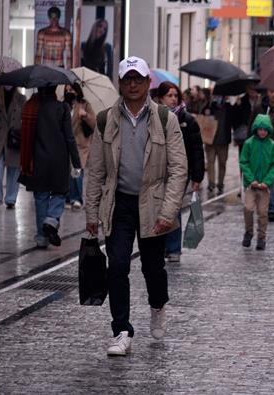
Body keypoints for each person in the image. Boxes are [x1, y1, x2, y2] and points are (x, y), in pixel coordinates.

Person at [85, 56, 187, 356]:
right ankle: (121, 330)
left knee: (153, 268)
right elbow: (96, 170)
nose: (133, 85)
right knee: (116, 265)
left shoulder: (166, 119)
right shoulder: (106, 119)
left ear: (147, 83)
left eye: (138, 79)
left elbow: (178, 169)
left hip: (153, 203)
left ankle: (158, 305)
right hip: (119, 204)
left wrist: (168, 212)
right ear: (120, 83)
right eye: (127, 79)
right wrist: (92, 212)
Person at [19, 85, 81, 248]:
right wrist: (76, 162)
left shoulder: (32, 107)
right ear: (54, 89)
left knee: (41, 196)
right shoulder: (62, 108)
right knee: (60, 193)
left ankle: (42, 237)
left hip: (38, 159)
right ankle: (51, 220)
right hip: (59, 159)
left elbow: (24, 133)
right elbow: (69, 137)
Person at [151, 81, 205, 262]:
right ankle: (159, 246)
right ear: (161, 98)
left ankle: (174, 248)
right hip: (157, 170)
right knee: (157, 207)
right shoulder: (153, 118)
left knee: (173, 207)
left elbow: (197, 149)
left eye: (175, 95)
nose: (173, 99)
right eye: (169, 95)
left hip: (180, 172)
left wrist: (197, 176)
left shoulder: (187, 120)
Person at [248, 88, 274, 222]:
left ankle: (272, 209)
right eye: (271, 91)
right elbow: (251, 128)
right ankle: (263, 207)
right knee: (262, 180)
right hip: (261, 151)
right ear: (267, 92)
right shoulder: (259, 109)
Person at [239, 114, 274, 250]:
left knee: (263, 213)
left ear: (268, 130)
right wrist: (251, 180)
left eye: (265, 129)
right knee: (248, 208)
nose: (262, 132)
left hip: (264, 186)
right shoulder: (249, 144)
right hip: (251, 185)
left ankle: (261, 237)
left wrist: (267, 181)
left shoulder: (273, 146)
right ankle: (249, 231)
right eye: (260, 129)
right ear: (256, 129)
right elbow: (244, 162)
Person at [0, 86, 25, 209]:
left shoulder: (21, 98)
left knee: (14, 168)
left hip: (14, 137)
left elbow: (24, 118)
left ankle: (11, 199)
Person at [63, 83, 96, 210]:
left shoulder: (85, 105)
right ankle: (66, 197)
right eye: (66, 90)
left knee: (77, 170)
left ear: (77, 91)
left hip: (80, 143)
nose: (69, 92)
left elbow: (94, 123)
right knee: (66, 171)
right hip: (66, 143)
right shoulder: (63, 105)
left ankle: (76, 199)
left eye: (71, 89)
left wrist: (86, 115)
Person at [201, 94, 233, 196]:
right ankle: (211, 183)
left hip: (224, 140)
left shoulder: (229, 107)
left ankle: (220, 183)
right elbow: (202, 115)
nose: (218, 98)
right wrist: (207, 105)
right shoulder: (210, 106)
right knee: (210, 162)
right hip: (210, 140)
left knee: (222, 163)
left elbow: (235, 118)